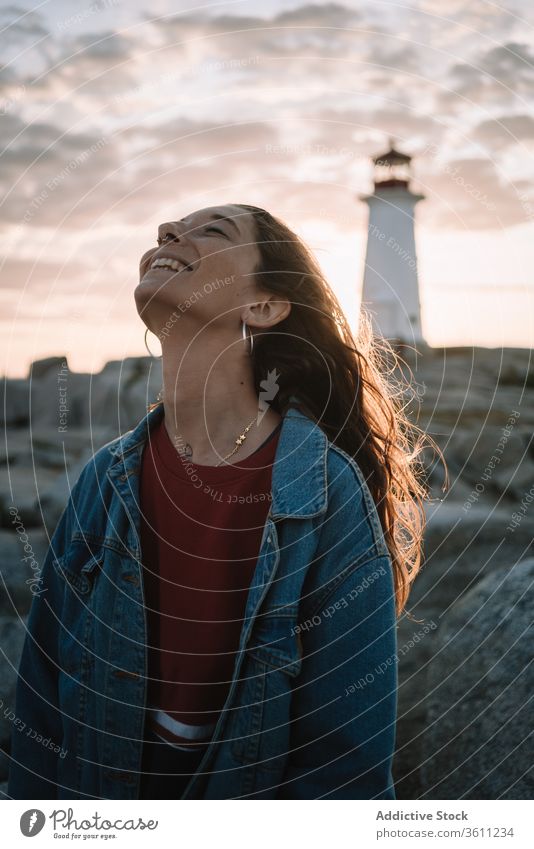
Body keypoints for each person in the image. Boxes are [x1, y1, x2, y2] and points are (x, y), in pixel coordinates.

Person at [8, 203, 437, 800]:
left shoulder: (326, 494)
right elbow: (39, 713)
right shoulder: (103, 479)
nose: (165, 233)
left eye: (211, 230)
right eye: (169, 229)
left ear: (263, 306)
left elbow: (344, 767)